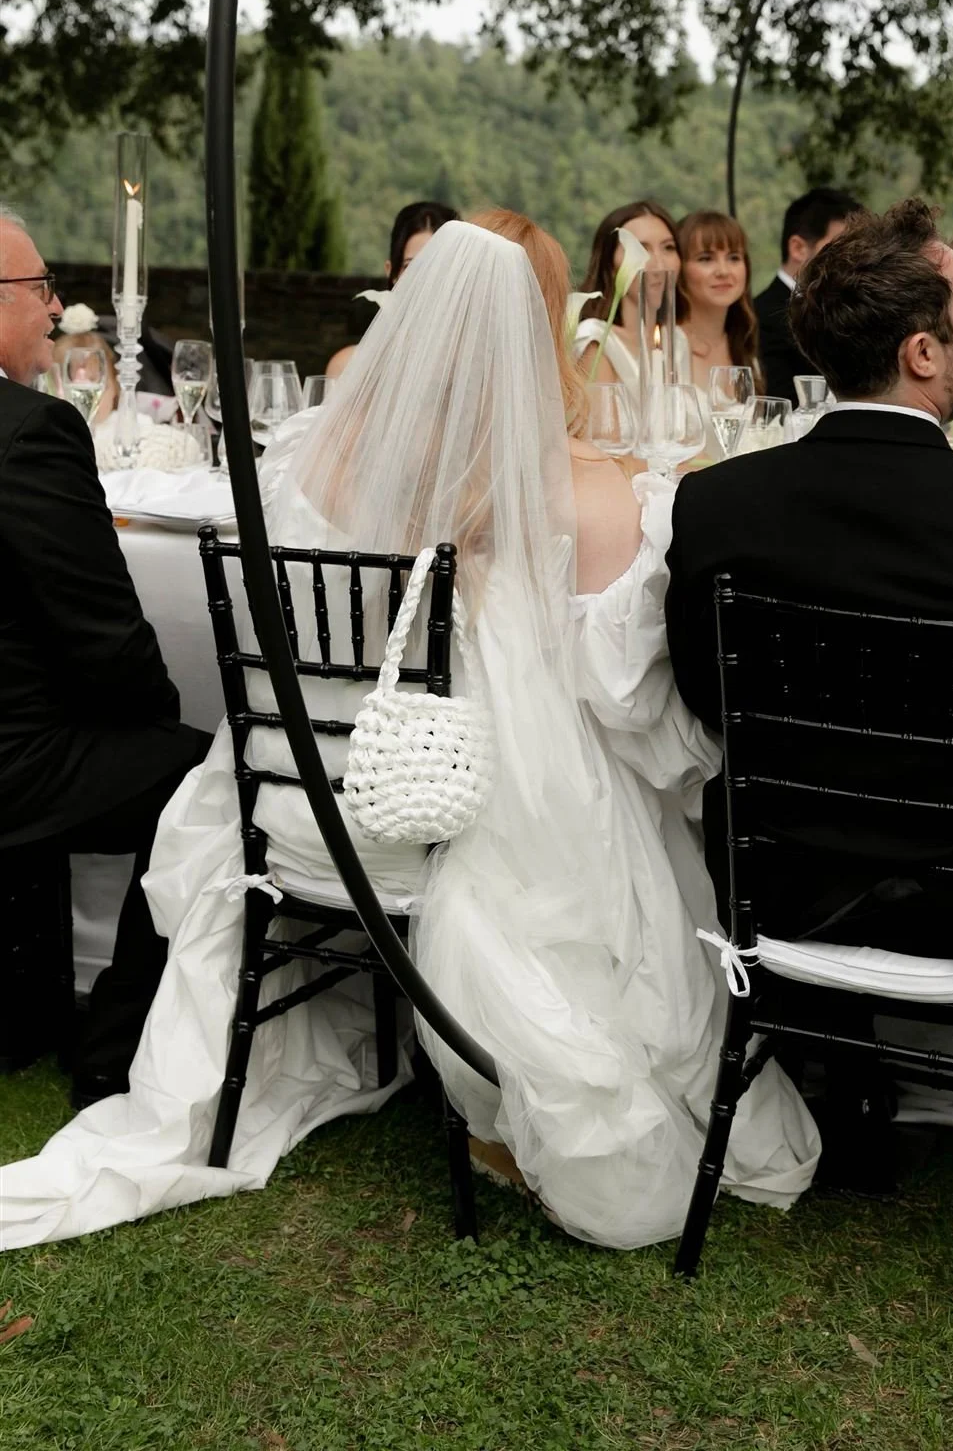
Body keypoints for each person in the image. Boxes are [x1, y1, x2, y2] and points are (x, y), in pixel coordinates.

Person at [1, 218, 816, 1248]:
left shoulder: (317, 455)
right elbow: (625, 691)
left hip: (298, 794)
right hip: (438, 805)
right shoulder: (564, 488)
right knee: (607, 797)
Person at [666, 198, 953, 1202]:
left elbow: (705, 694)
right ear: (922, 352)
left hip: (780, 870)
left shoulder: (715, 503)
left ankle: (843, 1086)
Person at [0, 208, 211, 1107]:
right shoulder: (32, 433)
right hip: (15, 765)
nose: (56, 308)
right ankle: (112, 1047)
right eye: (39, 288)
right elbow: (105, 639)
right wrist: (161, 721)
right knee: (211, 778)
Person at [324, 199, 458, 379]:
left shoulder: (470, 370)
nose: (426, 279)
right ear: (391, 272)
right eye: (412, 267)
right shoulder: (347, 367)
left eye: (438, 267)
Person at [754, 186, 861, 401]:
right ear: (798, 248)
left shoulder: (850, 310)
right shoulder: (762, 316)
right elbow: (779, 405)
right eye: (840, 248)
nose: (853, 259)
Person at [573, 201, 691, 386]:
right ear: (611, 265)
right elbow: (601, 414)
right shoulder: (596, 339)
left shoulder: (677, 341)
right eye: (641, 249)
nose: (659, 265)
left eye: (668, 248)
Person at [676, 210, 764, 396]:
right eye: (706, 259)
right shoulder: (666, 348)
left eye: (734, 258)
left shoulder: (744, 346)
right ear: (679, 269)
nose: (723, 271)